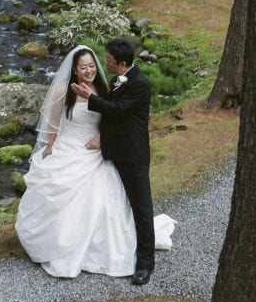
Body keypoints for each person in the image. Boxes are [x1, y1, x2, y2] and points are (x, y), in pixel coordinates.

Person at [15, 45, 143, 278]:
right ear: (74, 70)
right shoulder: (64, 90)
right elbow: (53, 121)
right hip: (68, 145)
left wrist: (102, 137)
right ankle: (54, 242)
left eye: (92, 66)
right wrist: (50, 146)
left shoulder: (104, 89)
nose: (89, 70)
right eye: (83, 67)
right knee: (55, 187)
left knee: (103, 196)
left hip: (93, 150)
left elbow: (114, 117)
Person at [71, 37, 157, 286]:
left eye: (108, 59)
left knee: (142, 208)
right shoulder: (118, 79)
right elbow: (112, 113)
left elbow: (118, 110)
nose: (104, 61)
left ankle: (145, 264)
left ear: (121, 63)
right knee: (119, 204)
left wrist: (90, 97)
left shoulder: (139, 84)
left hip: (132, 154)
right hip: (115, 150)